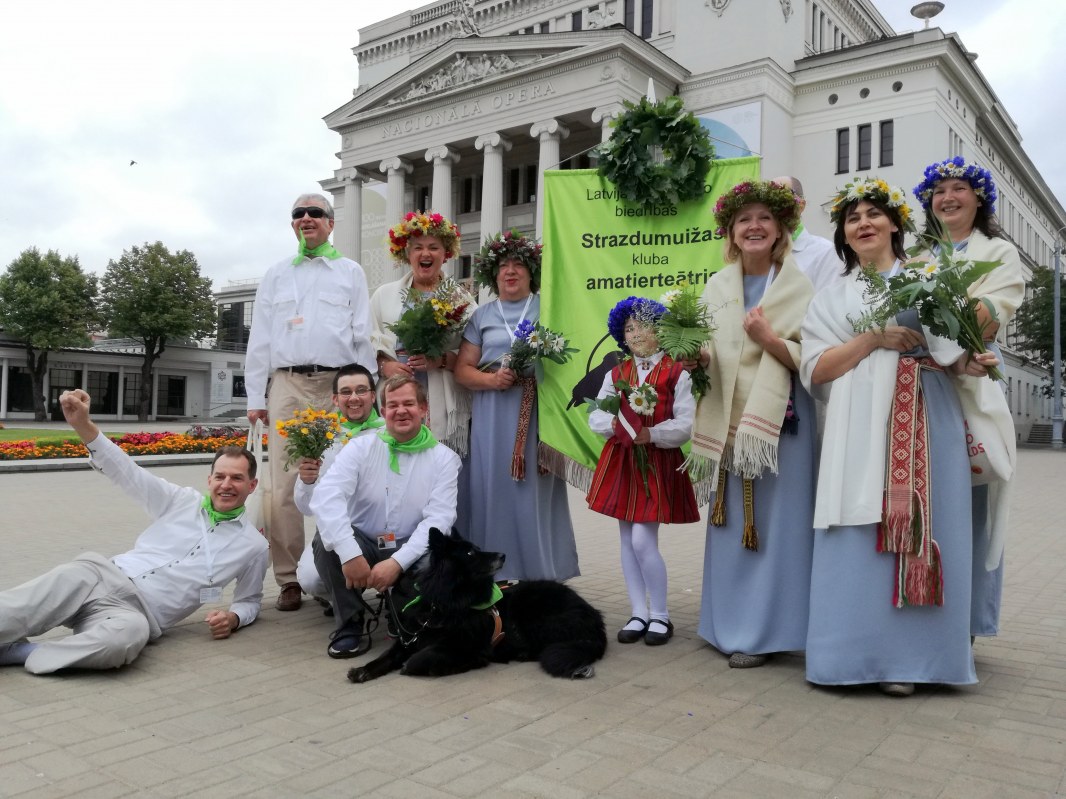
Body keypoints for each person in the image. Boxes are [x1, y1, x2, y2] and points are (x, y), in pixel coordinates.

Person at [800, 177, 998, 696]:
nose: (863, 223)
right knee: (855, 529)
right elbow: (817, 369)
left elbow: (955, 355)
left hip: (925, 415)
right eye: (852, 218)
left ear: (895, 224)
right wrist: (871, 339)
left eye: (873, 214)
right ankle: (850, 656)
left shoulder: (930, 277)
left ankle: (913, 661)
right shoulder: (831, 296)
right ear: (844, 235)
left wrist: (976, 362)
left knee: (930, 520)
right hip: (856, 424)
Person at [0, 389, 269, 675]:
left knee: (121, 643)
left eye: (237, 478)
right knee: (12, 610)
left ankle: (20, 651)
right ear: (210, 479)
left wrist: (234, 617)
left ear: (251, 486)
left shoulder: (254, 546)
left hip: (134, 614)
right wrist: (83, 426)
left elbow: (249, 600)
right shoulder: (180, 500)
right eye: (220, 476)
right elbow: (128, 472)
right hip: (97, 577)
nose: (226, 484)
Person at [688, 179, 816, 669]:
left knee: (777, 526)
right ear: (732, 232)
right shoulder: (717, 286)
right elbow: (706, 350)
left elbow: (811, 358)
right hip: (725, 421)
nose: (755, 226)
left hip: (781, 421)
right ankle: (723, 625)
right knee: (727, 522)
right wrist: (694, 357)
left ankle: (770, 633)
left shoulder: (798, 285)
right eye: (745, 220)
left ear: (781, 229)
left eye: (765, 218)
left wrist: (767, 337)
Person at [244, 193, 376, 612]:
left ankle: (337, 564)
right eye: (298, 214)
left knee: (344, 473)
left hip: (336, 386)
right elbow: (260, 338)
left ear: (330, 223)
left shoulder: (350, 272)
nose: (306, 219)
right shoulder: (277, 274)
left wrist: (366, 390)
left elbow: (362, 333)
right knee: (285, 485)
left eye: (314, 213)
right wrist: (255, 395)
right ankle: (288, 578)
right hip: (288, 385)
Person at [913, 158, 1024, 640]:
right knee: (930, 497)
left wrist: (942, 329)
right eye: (939, 191)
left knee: (975, 501)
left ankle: (967, 623)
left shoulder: (998, 251)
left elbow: (991, 313)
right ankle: (923, 611)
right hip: (922, 384)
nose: (948, 197)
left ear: (979, 200)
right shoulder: (917, 258)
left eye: (959, 188)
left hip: (974, 380)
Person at [454, 231, 579, 582]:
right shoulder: (482, 315)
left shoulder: (549, 306)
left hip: (540, 408)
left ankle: (540, 573)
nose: (511, 272)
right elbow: (462, 370)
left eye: (519, 265)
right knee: (492, 489)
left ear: (531, 273)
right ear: (493, 275)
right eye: (504, 266)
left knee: (535, 493)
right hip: (493, 412)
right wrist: (492, 381)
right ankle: (493, 573)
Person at [310, 375, 461, 658]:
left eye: (408, 403)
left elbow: (437, 521)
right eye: (392, 405)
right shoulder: (359, 448)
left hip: (409, 544)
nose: (400, 411)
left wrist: (397, 562)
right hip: (366, 541)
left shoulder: (445, 459)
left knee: (438, 555)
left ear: (424, 408)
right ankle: (350, 622)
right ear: (383, 411)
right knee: (326, 541)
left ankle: (402, 613)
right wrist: (350, 554)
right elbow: (326, 496)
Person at [585, 297, 698, 645]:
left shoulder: (677, 373)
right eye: (629, 328)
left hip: (656, 461)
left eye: (644, 326)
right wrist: (618, 426)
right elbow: (597, 415)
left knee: (641, 540)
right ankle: (638, 612)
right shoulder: (616, 373)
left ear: (660, 331)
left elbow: (686, 423)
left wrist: (652, 433)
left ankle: (661, 614)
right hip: (622, 460)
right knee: (625, 539)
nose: (636, 334)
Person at [371, 210, 476, 456]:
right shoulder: (383, 295)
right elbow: (366, 342)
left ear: (445, 254)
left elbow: (474, 354)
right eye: (418, 247)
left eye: (434, 247)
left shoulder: (463, 300)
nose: (425, 254)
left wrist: (439, 360)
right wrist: (385, 366)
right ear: (407, 254)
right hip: (395, 392)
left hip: (442, 393)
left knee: (439, 463)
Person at [291, 364, 384, 625]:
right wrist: (306, 481)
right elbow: (307, 508)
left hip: (381, 530)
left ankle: (395, 596)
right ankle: (341, 598)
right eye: (346, 392)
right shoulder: (321, 438)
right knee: (311, 578)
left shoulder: (391, 432)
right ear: (335, 399)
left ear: (373, 396)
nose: (353, 398)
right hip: (338, 530)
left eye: (361, 390)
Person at [772, 176, 845, 293]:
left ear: (801, 205)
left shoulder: (825, 252)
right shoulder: (762, 251)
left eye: (781, 198)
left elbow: (827, 305)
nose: (773, 207)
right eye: (768, 200)